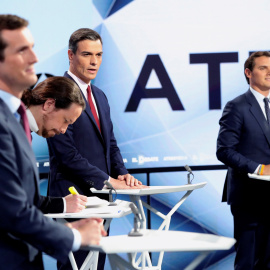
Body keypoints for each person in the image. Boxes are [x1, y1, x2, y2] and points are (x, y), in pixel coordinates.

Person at [0, 14, 106, 269]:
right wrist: (75, 236)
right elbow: (13, 212)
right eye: (22, 50)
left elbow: (23, 199)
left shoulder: (14, 119)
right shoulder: (6, 123)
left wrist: (62, 205)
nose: (35, 59)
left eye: (33, 49)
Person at [47, 28, 145, 270]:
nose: (94, 62)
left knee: (97, 264)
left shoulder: (99, 95)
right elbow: (66, 153)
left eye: (99, 55)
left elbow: (110, 142)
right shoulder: (57, 93)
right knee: (76, 265)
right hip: (73, 197)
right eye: (87, 54)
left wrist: (121, 173)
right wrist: (108, 180)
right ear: (70, 55)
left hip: (102, 197)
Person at [217, 51, 270, 269]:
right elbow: (224, 150)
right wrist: (260, 169)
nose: (269, 72)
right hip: (249, 197)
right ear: (248, 73)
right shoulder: (237, 106)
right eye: (263, 68)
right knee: (248, 262)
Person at [22, 76, 88, 214]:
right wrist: (62, 204)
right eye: (65, 120)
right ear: (48, 105)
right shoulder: (11, 130)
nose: (63, 130)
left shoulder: (21, 129)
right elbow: (13, 197)